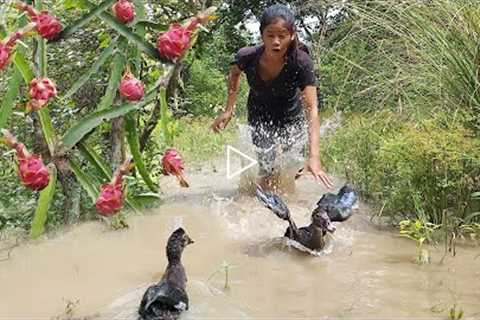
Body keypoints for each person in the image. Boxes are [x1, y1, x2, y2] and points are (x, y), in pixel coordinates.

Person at [212, 4, 333, 191]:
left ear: (292, 35)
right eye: (270, 35)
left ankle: (288, 200)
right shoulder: (247, 56)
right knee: (267, 170)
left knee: (293, 169)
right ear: (262, 35)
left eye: (282, 36)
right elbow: (234, 74)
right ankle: (262, 207)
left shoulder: (301, 62)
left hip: (290, 115)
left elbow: (312, 109)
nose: (276, 41)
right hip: (260, 114)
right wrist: (228, 109)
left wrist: (314, 157)